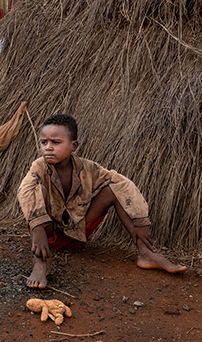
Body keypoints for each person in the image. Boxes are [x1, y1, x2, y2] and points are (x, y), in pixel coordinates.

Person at [17, 114, 186, 289]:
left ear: (74, 146)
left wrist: (140, 220)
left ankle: (146, 253)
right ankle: (39, 264)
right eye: (44, 142)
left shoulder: (89, 168)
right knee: (37, 189)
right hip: (46, 236)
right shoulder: (39, 166)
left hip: (78, 233)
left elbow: (121, 182)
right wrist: (37, 228)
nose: (48, 148)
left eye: (56, 142)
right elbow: (25, 190)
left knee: (115, 187)